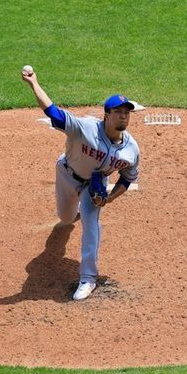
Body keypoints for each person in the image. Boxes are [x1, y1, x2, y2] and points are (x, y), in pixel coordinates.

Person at [21, 69, 140, 300]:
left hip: (93, 187)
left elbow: (127, 178)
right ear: (106, 115)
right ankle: (71, 216)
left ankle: (88, 279)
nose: (123, 116)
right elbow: (54, 114)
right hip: (67, 174)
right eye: (118, 112)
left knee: (92, 223)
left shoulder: (131, 149)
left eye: (127, 112)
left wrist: (108, 198)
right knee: (65, 218)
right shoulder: (85, 128)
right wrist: (34, 83)